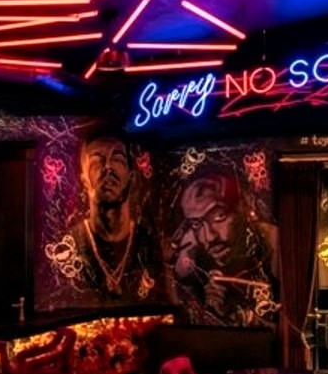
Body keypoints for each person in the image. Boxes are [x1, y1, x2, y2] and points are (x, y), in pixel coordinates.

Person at [170, 171, 278, 326]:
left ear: (242, 209)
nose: (209, 237)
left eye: (219, 216)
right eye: (197, 224)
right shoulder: (191, 260)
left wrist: (236, 313)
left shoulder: (271, 242)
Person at [69, 132, 161, 301]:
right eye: (96, 161)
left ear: (130, 177)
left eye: (117, 159)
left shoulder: (148, 245)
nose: (108, 167)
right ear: (84, 180)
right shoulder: (71, 244)